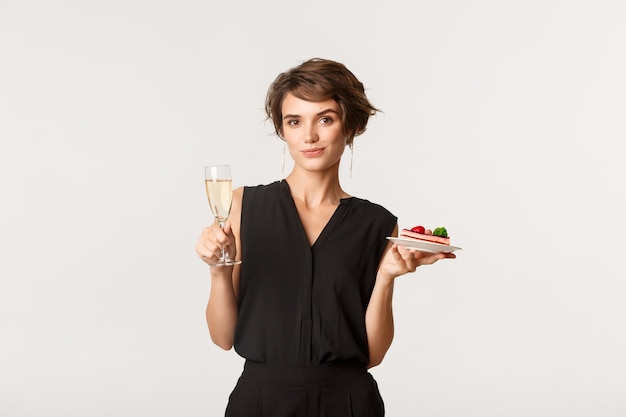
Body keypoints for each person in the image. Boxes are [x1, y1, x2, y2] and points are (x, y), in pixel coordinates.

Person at [196, 57, 455, 417]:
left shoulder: (378, 223)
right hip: (260, 401)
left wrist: (385, 277)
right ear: (282, 130)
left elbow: (374, 354)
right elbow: (223, 338)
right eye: (294, 121)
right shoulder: (243, 206)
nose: (310, 136)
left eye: (326, 119)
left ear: (349, 126)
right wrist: (217, 270)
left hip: (347, 402)